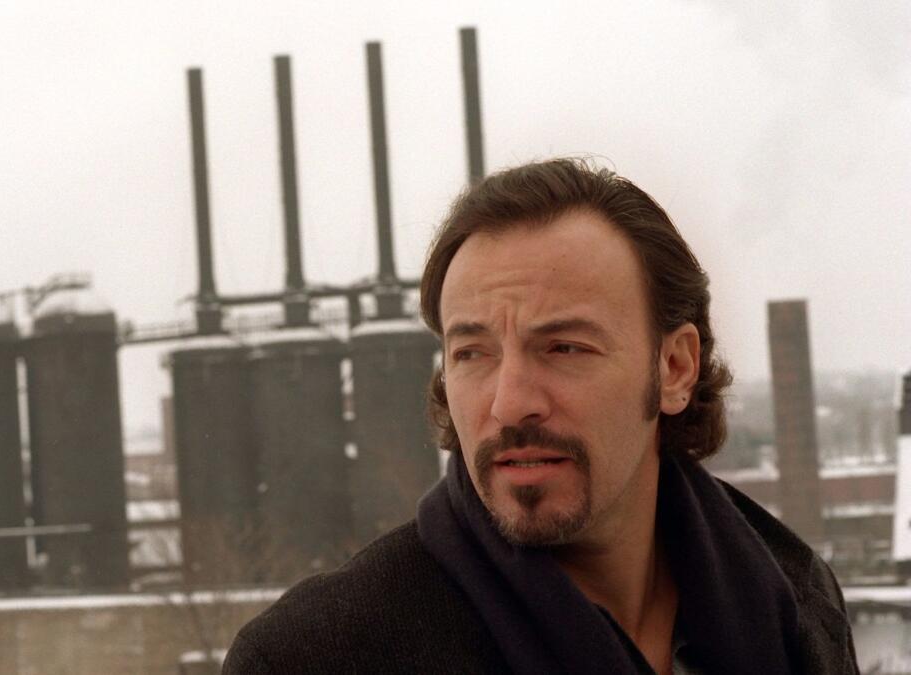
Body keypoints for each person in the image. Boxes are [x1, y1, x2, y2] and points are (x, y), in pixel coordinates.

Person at [223, 158, 858, 674]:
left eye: (563, 348)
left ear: (673, 368)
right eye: (472, 353)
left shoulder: (795, 602)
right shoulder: (320, 658)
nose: (508, 401)